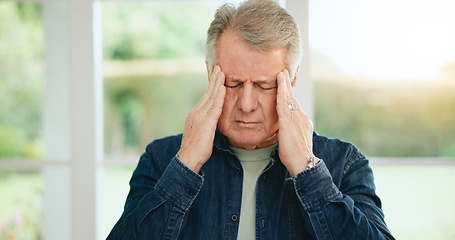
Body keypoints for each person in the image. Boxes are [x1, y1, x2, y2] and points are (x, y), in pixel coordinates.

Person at [107, 0, 395, 239]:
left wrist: (307, 171)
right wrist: (185, 166)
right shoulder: (161, 159)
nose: (246, 105)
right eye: (232, 83)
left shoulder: (344, 163)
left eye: (264, 85)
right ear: (211, 75)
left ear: (291, 81)